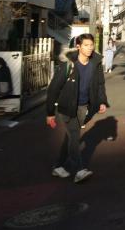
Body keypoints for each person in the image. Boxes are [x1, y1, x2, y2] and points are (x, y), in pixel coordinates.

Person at [46, 33, 109, 183]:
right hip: (66, 106)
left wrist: (101, 101)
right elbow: (54, 89)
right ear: (78, 47)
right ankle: (80, 170)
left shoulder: (96, 63)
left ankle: (58, 166)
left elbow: (100, 84)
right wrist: (50, 113)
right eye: (86, 45)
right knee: (74, 135)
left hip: (83, 106)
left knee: (71, 137)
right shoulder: (68, 64)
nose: (89, 48)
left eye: (91, 45)